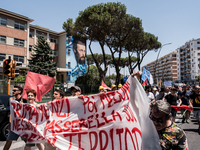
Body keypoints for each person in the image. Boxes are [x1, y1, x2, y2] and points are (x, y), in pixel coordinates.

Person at [3, 85, 27, 150]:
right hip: (14, 125)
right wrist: (10, 124)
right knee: (8, 140)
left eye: (14, 90)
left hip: (22, 125)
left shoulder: (24, 100)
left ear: (19, 92)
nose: (12, 91)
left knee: (27, 141)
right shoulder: (12, 101)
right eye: (13, 90)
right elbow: (11, 113)